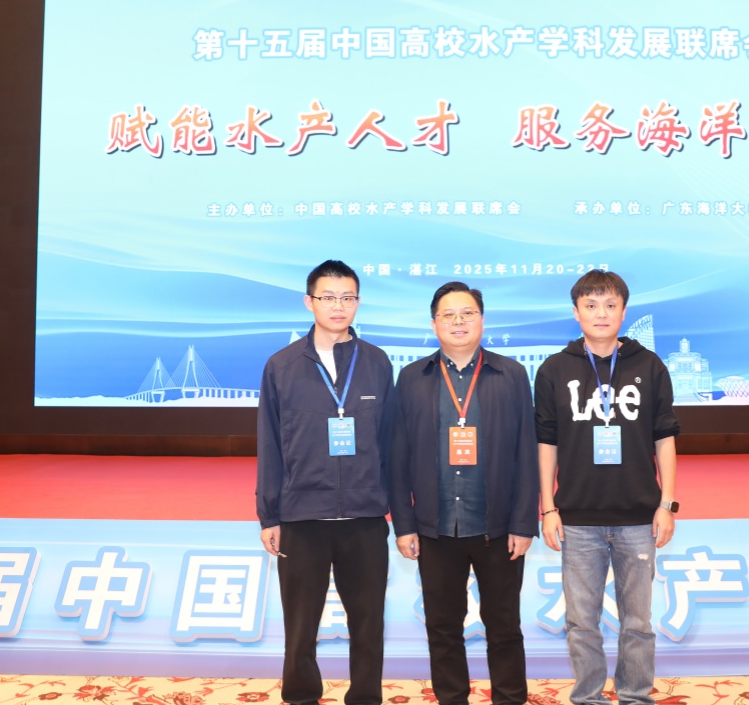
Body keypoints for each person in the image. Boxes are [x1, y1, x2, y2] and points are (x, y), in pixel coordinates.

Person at [389, 281, 539, 705]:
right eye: (449, 315)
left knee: (504, 627)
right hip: (434, 527)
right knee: (442, 628)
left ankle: (510, 699)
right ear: (434, 323)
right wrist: (404, 525)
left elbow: (526, 453)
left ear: (482, 320)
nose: (458, 322)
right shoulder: (412, 378)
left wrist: (524, 523)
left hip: (498, 527)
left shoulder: (510, 374)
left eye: (467, 313)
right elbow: (397, 457)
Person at [535, 270, 680, 705]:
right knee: (582, 623)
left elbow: (665, 438)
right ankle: (588, 698)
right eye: (591, 305)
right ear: (576, 312)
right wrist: (548, 508)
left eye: (610, 305)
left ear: (623, 311)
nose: (601, 313)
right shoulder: (555, 369)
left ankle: (635, 696)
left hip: (638, 517)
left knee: (638, 622)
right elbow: (547, 442)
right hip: (577, 519)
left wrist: (667, 504)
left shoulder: (648, 366)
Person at [256, 259, 395, 705]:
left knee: (368, 624)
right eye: (328, 297)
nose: (339, 306)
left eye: (347, 297)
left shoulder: (376, 362)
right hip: (303, 516)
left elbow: (390, 441)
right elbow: (270, 444)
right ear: (309, 302)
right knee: (300, 627)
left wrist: (395, 509)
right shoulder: (281, 366)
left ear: (358, 302)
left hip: (365, 517)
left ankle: (366, 697)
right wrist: (269, 514)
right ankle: (301, 696)